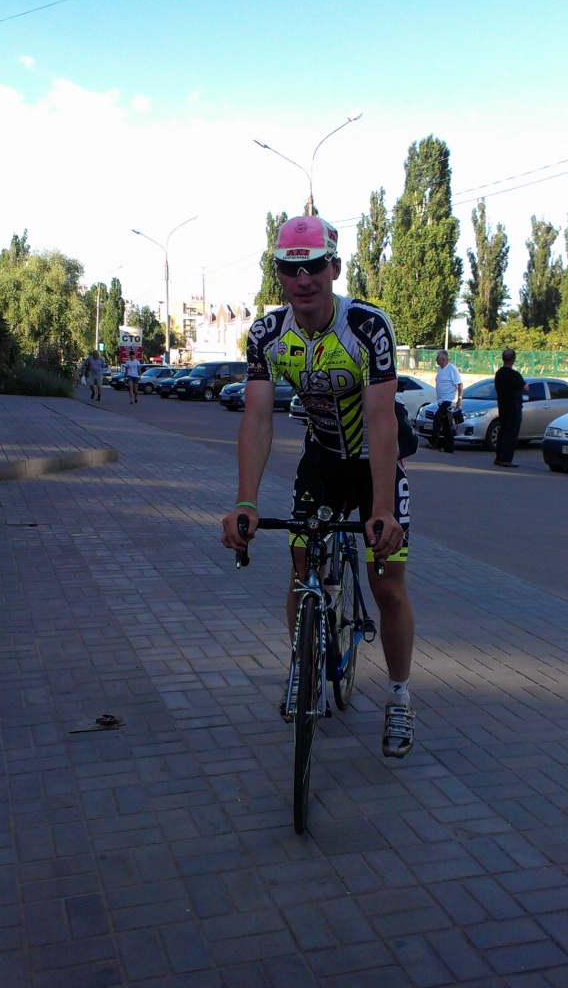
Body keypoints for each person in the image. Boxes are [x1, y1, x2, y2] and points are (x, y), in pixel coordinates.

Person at [221, 215, 416, 758]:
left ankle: (399, 696)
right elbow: (257, 419)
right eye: (290, 269)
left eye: (313, 267)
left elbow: (381, 420)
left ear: (334, 268)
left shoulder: (368, 327)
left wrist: (382, 509)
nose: (303, 279)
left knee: (387, 585)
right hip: (323, 462)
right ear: (279, 274)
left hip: (375, 464)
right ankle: (301, 669)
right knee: (301, 566)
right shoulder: (266, 335)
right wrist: (245, 501)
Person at [494, 348, 528, 467]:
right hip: (514, 407)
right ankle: (506, 459)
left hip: (502, 406)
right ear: (513, 360)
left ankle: (499, 457)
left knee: (502, 432)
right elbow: (525, 387)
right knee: (511, 434)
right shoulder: (514, 374)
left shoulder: (499, 373)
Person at [428, 349, 463, 451]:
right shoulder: (440, 370)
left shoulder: (451, 369)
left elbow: (460, 385)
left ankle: (434, 442)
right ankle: (448, 447)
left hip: (449, 400)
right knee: (447, 425)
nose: (436, 360)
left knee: (437, 417)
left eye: (437, 358)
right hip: (441, 401)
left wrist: (459, 399)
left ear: (443, 358)